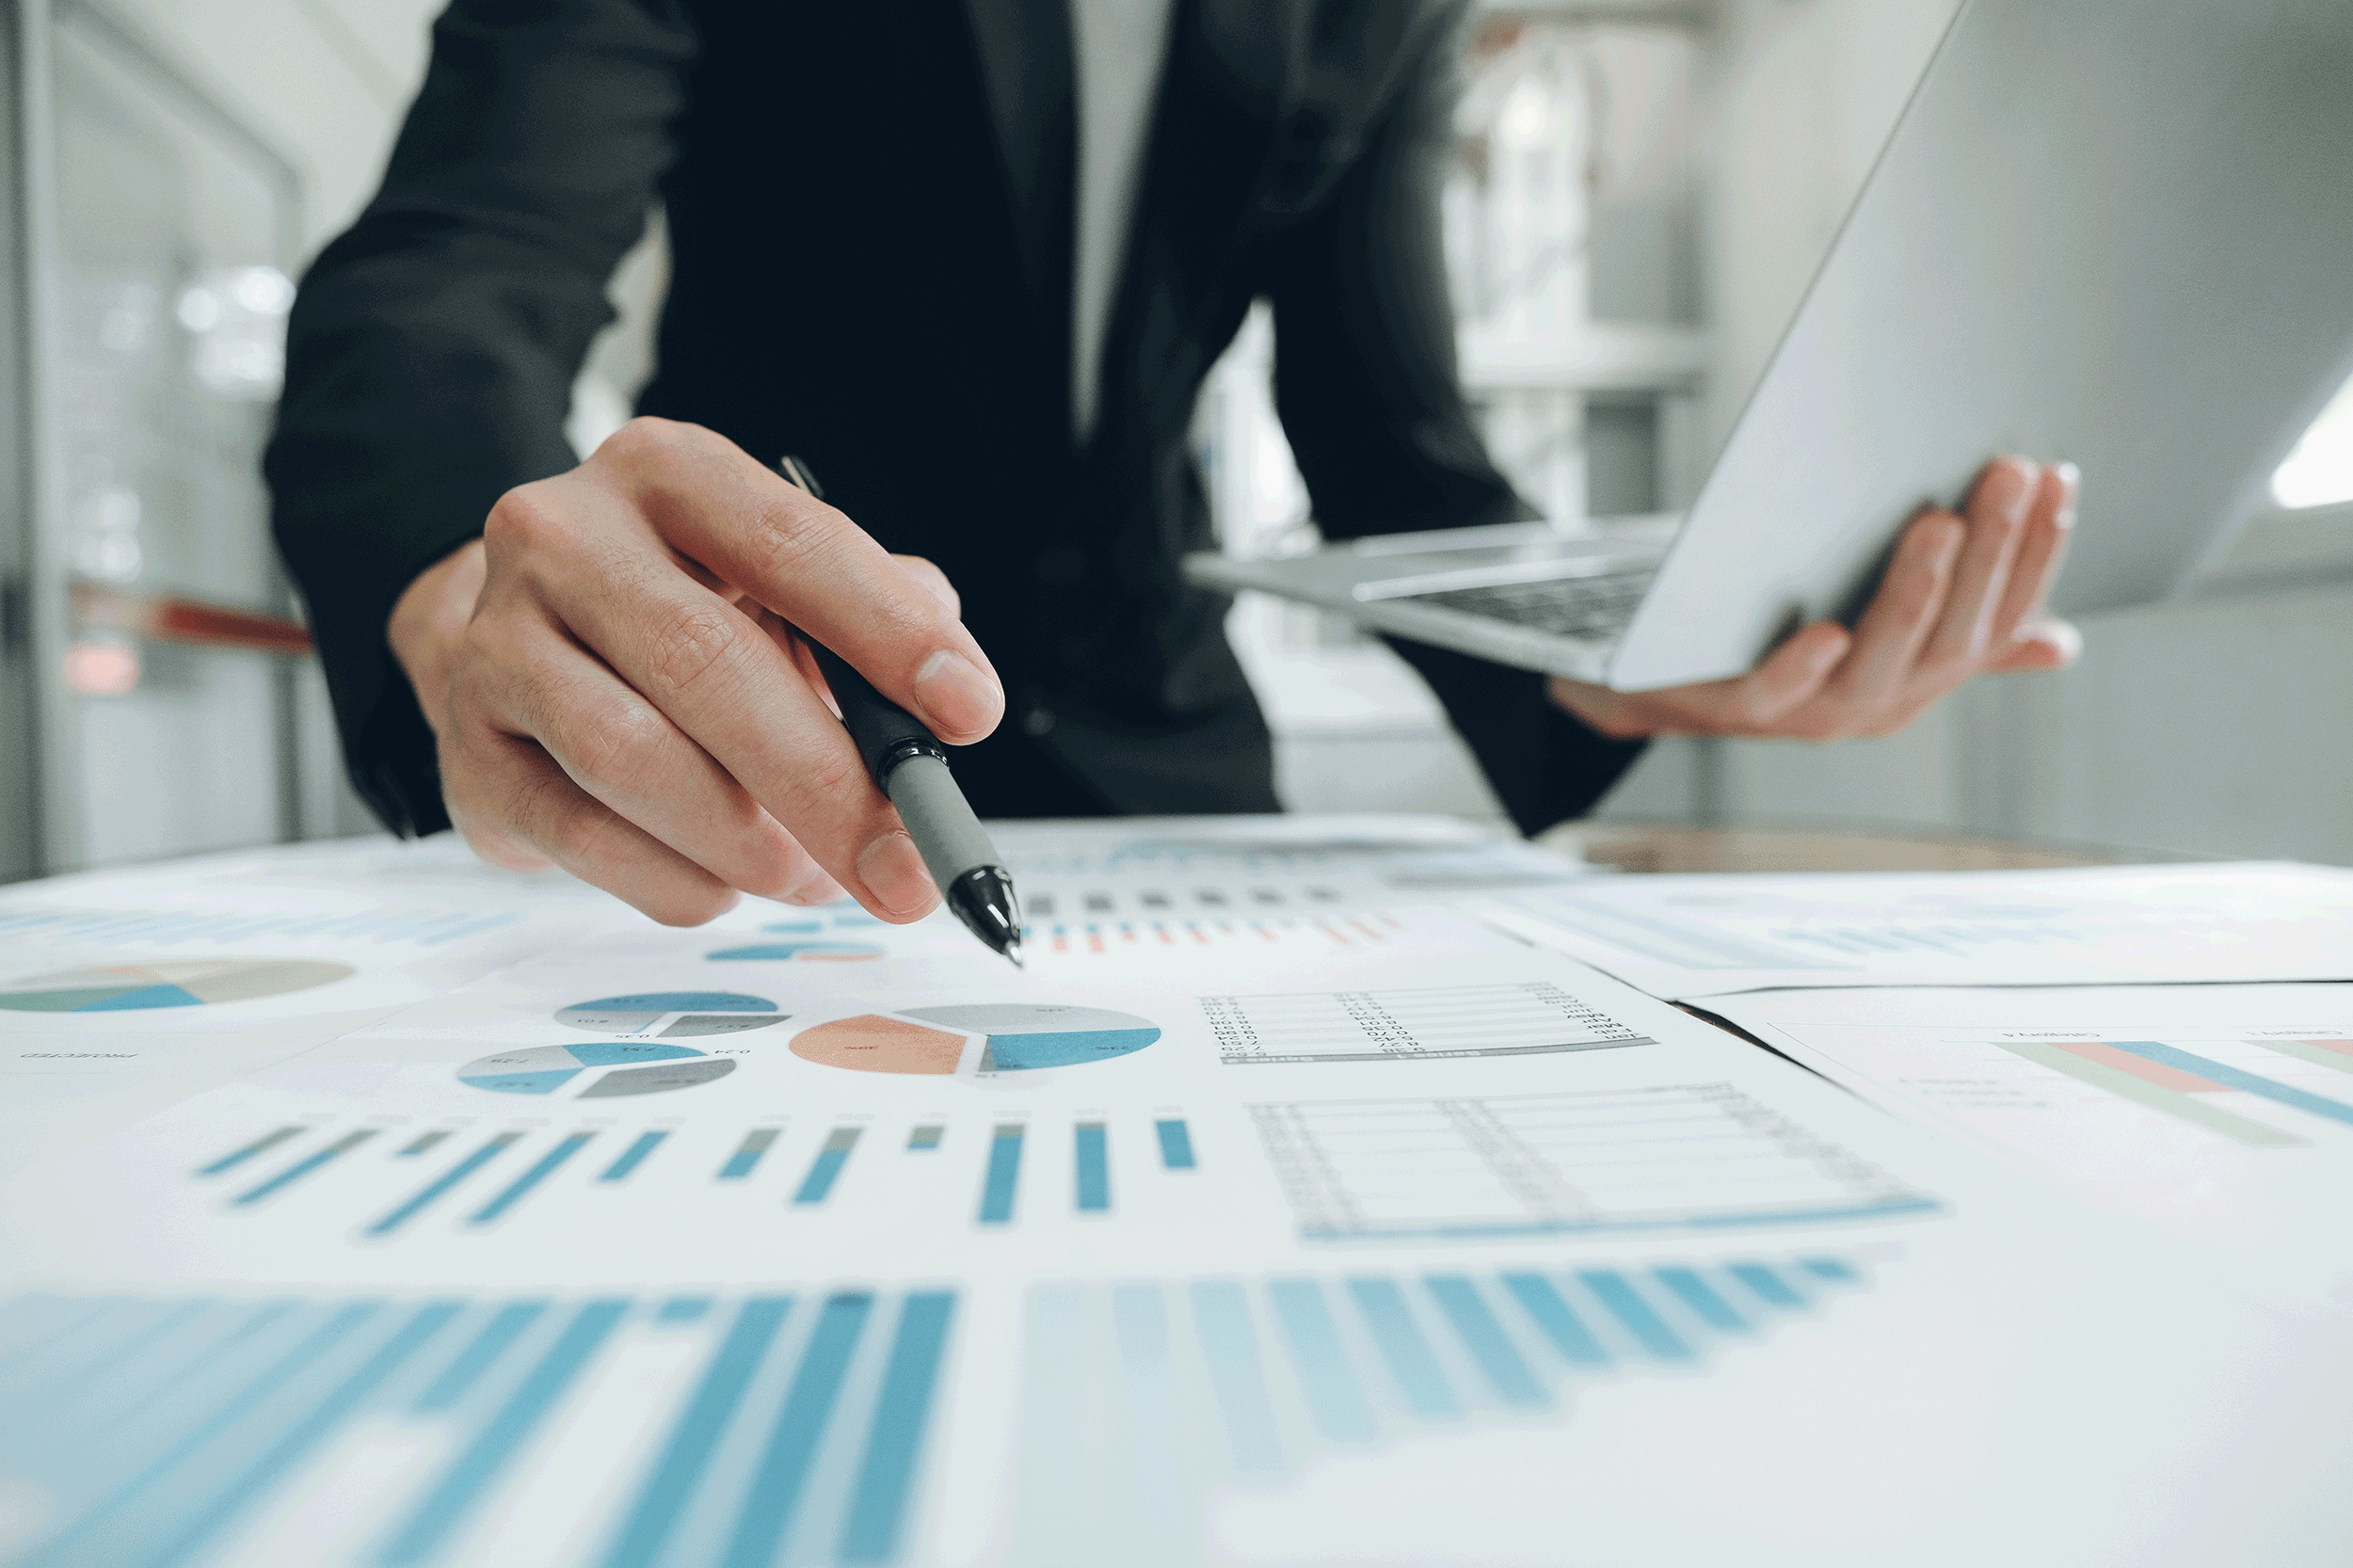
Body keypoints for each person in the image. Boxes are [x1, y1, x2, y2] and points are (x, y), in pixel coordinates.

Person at [266, 0, 2079, 930]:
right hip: (750, 749)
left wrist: (1643, 657)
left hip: (1177, 749)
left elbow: (1398, 454)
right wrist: (459, 600)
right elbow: (451, 277)